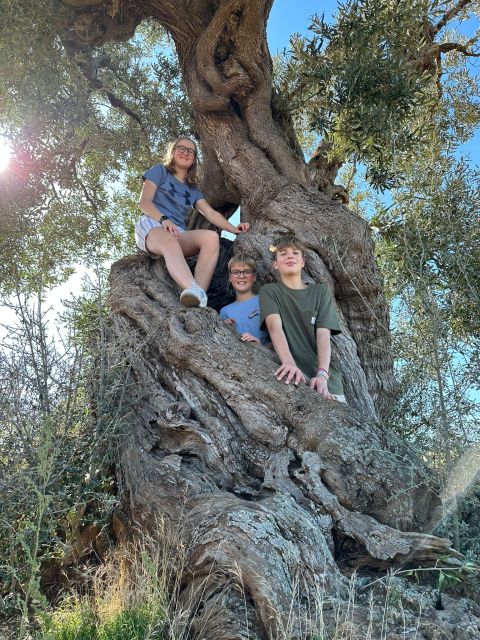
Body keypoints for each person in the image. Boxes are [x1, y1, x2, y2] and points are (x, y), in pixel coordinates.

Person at [135, 136, 250, 308]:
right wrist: (163, 219)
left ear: (194, 159)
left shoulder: (193, 189)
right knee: (169, 240)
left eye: (191, 151)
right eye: (181, 148)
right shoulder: (159, 171)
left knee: (211, 237)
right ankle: (193, 289)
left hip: (177, 232)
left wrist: (235, 229)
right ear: (173, 152)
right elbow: (144, 202)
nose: (185, 153)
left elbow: (210, 213)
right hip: (152, 224)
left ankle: (198, 299)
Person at [259, 235, 346, 402]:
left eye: (295, 253)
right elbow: (274, 326)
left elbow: (323, 335)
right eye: (283, 253)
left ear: (303, 262)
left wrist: (322, 376)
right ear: (275, 264)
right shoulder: (270, 291)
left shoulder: (320, 292)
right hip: (289, 376)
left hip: (328, 383)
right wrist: (289, 363)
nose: (290, 256)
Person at [219, 253, 269, 345]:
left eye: (247, 272)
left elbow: (280, 335)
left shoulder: (264, 300)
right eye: (236, 272)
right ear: (230, 277)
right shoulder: (225, 312)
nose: (241, 276)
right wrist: (230, 330)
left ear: (254, 277)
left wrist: (261, 346)